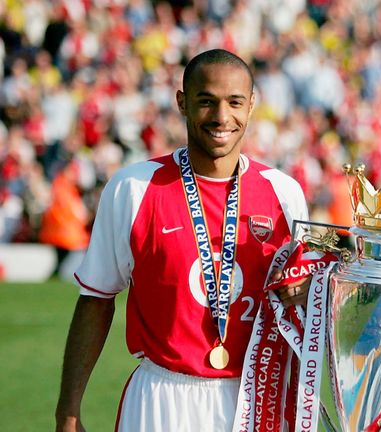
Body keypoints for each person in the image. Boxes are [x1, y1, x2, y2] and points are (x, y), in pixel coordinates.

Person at [55, 49, 308, 432]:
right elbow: (96, 298)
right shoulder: (134, 188)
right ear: (182, 103)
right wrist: (68, 411)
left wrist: (307, 293)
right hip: (161, 396)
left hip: (255, 397)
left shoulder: (284, 194)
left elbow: (302, 302)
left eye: (235, 102)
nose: (222, 117)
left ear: (252, 105)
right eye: (206, 101)